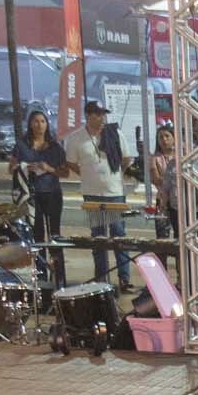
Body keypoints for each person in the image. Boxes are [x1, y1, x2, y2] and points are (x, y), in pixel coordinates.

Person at [64, 100, 131, 293]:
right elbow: (71, 163)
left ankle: (124, 278)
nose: (102, 118)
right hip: (92, 195)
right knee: (98, 237)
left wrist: (114, 174)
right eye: (98, 114)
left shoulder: (114, 133)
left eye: (104, 114)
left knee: (118, 235)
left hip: (114, 193)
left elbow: (126, 158)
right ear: (88, 115)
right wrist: (87, 175)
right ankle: (101, 277)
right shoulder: (76, 138)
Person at [10, 109, 69, 293]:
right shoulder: (22, 146)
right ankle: (42, 277)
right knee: (37, 238)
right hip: (31, 196)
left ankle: (59, 278)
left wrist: (48, 168)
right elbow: (11, 168)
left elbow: (65, 172)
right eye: (36, 121)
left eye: (43, 121)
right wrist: (24, 167)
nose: (39, 125)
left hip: (52, 194)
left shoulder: (55, 147)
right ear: (30, 124)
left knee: (54, 236)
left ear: (47, 124)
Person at [149, 124, 178, 237]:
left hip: (179, 200)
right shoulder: (154, 158)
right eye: (161, 137)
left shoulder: (180, 155)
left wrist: (166, 178)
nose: (164, 139)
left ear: (174, 138)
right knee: (162, 235)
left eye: (167, 136)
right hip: (162, 201)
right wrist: (173, 178)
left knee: (180, 234)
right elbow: (156, 179)